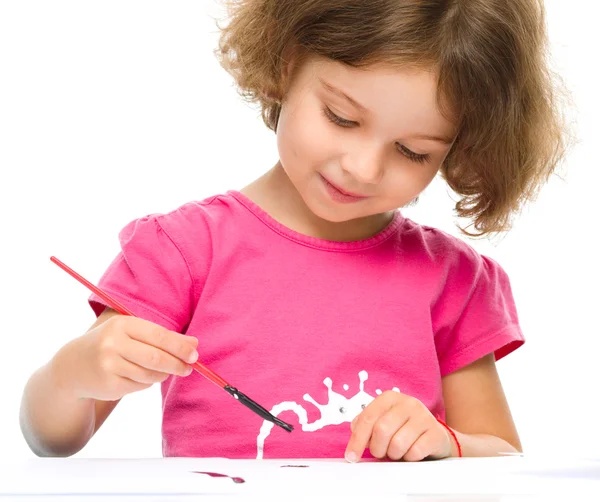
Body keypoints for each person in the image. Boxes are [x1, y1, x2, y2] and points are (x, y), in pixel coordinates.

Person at [20, 0, 567, 462]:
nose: (363, 168)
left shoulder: (451, 279)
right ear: (287, 66)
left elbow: (503, 457)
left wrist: (450, 444)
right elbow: (50, 439)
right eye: (342, 118)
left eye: (412, 151)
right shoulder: (185, 251)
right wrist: (75, 374)